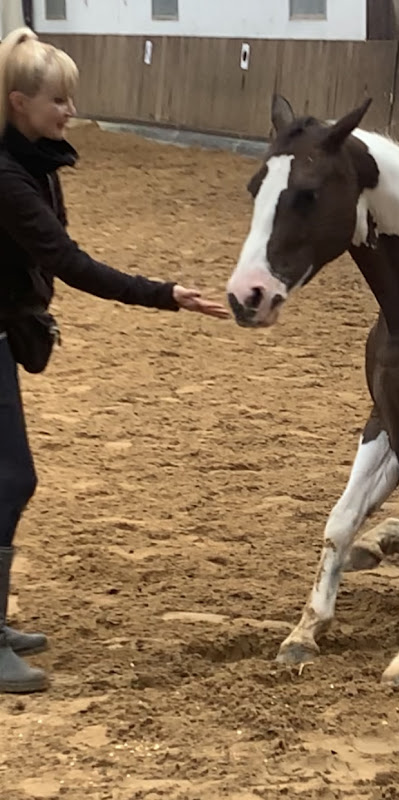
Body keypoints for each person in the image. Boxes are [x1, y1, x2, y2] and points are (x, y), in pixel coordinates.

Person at [0, 27, 228, 693]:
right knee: (11, 481)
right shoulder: (10, 178)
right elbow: (68, 263)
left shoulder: (33, 161)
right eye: (58, 100)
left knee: (8, 480)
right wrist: (165, 296)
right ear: (19, 102)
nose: (70, 111)